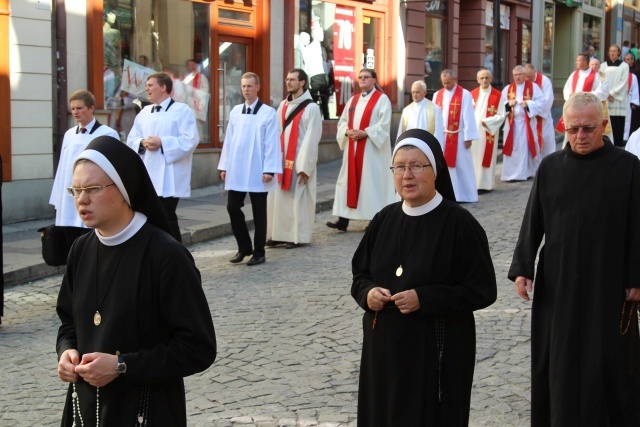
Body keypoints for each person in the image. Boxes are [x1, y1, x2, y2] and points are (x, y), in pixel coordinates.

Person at [56, 136, 216, 426]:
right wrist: (66, 350)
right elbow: (68, 322)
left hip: (146, 410)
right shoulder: (80, 250)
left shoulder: (166, 255)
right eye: (76, 190)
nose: (81, 199)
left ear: (125, 188)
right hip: (85, 410)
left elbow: (197, 348)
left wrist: (122, 365)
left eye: (93, 189)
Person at [508, 92, 640, 426]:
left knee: (611, 359)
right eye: (573, 129)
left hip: (609, 282)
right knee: (559, 357)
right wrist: (523, 267)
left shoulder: (628, 167)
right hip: (559, 282)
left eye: (588, 129)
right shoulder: (551, 167)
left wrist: (636, 277)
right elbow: (533, 220)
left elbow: (639, 225)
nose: (580, 136)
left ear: (605, 125)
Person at [351, 128, 497, 426]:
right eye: (400, 167)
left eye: (417, 166)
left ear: (435, 171)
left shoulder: (459, 224)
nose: (407, 175)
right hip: (384, 353)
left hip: (436, 351)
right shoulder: (384, 220)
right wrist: (367, 294)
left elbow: (483, 289)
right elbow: (360, 275)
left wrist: (426, 298)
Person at [126, 72, 199, 242]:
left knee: (167, 217)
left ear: (164, 87)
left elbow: (190, 140)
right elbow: (132, 139)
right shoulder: (144, 113)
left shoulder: (181, 110)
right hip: (148, 174)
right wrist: (142, 142)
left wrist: (163, 142)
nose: (147, 88)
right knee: (150, 218)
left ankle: (178, 257)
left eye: (150, 85)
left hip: (169, 176)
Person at [218, 72, 281, 266]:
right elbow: (229, 140)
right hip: (237, 166)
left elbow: (271, 143)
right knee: (232, 206)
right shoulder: (236, 111)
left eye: (249, 86)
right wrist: (225, 166)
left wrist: (269, 169)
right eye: (243, 86)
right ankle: (244, 247)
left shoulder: (268, 112)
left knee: (259, 211)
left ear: (258, 87)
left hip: (258, 167)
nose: (246, 90)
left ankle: (259, 252)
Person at [49, 90, 119, 256]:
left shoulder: (107, 134)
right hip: (70, 195)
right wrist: (58, 197)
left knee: (90, 240)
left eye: (80, 108)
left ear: (92, 108)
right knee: (71, 243)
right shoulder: (69, 135)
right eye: (73, 109)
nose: (75, 112)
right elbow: (63, 167)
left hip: (92, 193)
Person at [326, 68, 394, 231]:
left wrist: (366, 132)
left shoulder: (382, 99)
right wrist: (347, 131)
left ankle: (374, 219)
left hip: (371, 150)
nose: (362, 79)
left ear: (374, 80)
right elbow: (342, 122)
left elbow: (384, 125)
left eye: (366, 77)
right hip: (352, 148)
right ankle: (343, 220)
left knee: (370, 184)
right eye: (360, 77)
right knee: (347, 182)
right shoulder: (353, 100)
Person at [266, 69, 322, 249]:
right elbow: (275, 133)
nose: (288, 83)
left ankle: (295, 236)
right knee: (276, 199)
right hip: (280, 160)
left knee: (295, 200)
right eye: (287, 79)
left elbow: (312, 138)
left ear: (302, 83)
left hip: (298, 162)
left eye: (292, 80)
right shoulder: (283, 105)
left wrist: (305, 167)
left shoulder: (311, 108)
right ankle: (277, 234)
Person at [433, 69, 480, 202]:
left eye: (448, 82)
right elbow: (435, 116)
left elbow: (469, 116)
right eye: (443, 83)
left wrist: (468, 136)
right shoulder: (437, 95)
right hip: (442, 135)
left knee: (462, 166)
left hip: (458, 136)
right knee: (445, 166)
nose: (446, 85)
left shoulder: (464, 94)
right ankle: (448, 194)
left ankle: (466, 195)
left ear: (455, 79)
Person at [501, 65, 545, 181]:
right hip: (512, 124)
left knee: (526, 147)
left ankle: (526, 172)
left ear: (525, 75)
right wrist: (508, 104)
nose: (518, 77)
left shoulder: (533, 87)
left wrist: (529, 104)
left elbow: (542, 102)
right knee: (513, 148)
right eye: (515, 75)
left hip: (527, 124)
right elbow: (500, 105)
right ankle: (510, 174)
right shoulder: (508, 88)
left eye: (520, 74)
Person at [470, 69, 506, 192]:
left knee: (486, 157)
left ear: (491, 79)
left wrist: (488, 122)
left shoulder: (497, 95)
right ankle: (473, 184)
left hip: (487, 131)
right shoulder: (472, 94)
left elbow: (502, 115)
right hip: (474, 133)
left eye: (486, 77)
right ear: (477, 80)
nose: (484, 80)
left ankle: (485, 185)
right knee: (474, 158)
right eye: (482, 78)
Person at [397, 80, 444, 146]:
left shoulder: (435, 109)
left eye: (417, 92)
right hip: (410, 147)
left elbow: (438, 133)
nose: (414, 95)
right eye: (413, 92)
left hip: (427, 147)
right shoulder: (406, 110)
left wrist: (437, 152)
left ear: (424, 92)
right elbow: (401, 132)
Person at [600, 44, 630, 146]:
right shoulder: (603, 66)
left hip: (618, 98)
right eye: (611, 51)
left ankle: (617, 143)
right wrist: (606, 94)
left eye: (615, 51)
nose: (612, 53)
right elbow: (601, 80)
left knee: (618, 121)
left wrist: (612, 93)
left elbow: (624, 82)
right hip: (606, 98)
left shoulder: (624, 66)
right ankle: (607, 144)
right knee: (607, 120)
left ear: (619, 53)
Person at [525, 64, 556, 157]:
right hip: (530, 119)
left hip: (543, 119)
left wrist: (532, 107)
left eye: (530, 77)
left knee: (546, 145)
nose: (528, 79)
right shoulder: (525, 81)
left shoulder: (544, 81)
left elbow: (548, 100)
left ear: (535, 72)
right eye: (526, 77)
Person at [589, 58, 615, 142]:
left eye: (596, 64)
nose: (594, 66)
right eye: (592, 64)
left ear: (600, 66)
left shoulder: (604, 76)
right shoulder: (585, 76)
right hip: (586, 105)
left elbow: (603, 92)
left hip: (600, 104)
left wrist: (588, 94)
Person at [624, 52, 640, 141]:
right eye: (625, 59)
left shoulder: (636, 71)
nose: (627, 61)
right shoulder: (622, 70)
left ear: (633, 60)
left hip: (631, 97)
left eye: (629, 59)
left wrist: (635, 101)